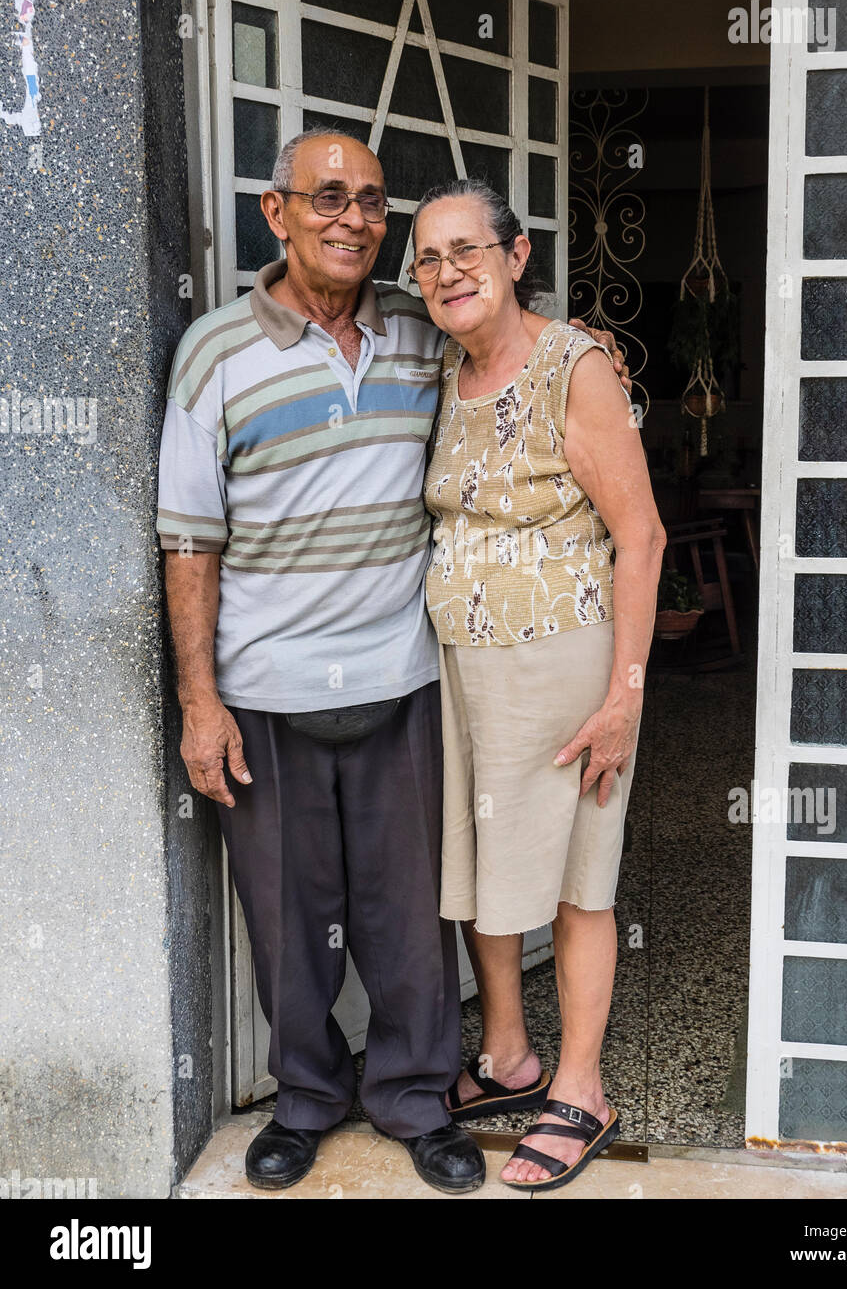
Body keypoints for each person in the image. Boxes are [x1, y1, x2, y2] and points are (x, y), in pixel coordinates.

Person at [156, 129, 625, 1195]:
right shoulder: (214, 351)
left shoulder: (422, 333)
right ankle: (310, 1100)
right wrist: (198, 701)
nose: (352, 218)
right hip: (263, 693)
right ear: (275, 213)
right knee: (286, 919)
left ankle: (418, 1097)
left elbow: (517, 366)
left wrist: (574, 351)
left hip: (408, 685)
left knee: (413, 922)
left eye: (371, 201)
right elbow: (189, 537)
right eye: (326, 197)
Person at [412, 179, 667, 1191]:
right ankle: (509, 1056)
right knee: (483, 873)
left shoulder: (575, 365)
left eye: (469, 248)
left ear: (516, 257)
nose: (449, 271)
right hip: (463, 668)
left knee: (574, 881)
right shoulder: (444, 371)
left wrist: (627, 693)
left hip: (566, 667)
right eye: (429, 257)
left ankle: (580, 1087)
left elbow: (641, 536)